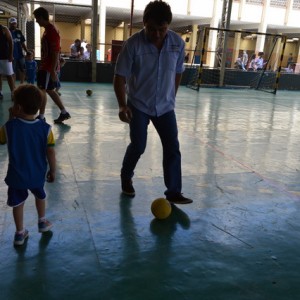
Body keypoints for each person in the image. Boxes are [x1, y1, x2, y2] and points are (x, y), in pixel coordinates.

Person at [113, 0, 193, 204]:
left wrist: (172, 97)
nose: (157, 34)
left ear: (168, 26)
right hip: (138, 104)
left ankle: (174, 191)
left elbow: (177, 73)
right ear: (144, 23)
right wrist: (123, 105)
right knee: (139, 145)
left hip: (166, 106)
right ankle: (126, 176)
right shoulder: (132, 45)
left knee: (172, 147)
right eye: (152, 29)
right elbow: (120, 77)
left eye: (162, 29)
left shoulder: (177, 43)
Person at [0, 84, 56, 246]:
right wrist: (52, 170)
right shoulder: (45, 129)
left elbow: (2, 140)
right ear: (39, 107)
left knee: (18, 203)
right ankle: (42, 222)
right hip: (37, 174)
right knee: (40, 196)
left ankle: (19, 233)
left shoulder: (8, 128)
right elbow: (51, 152)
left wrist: (11, 119)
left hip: (16, 177)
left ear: (17, 107)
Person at [33, 7, 71, 123]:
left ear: (41, 17)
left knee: (42, 90)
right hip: (47, 66)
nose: (36, 21)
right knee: (49, 90)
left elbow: (55, 52)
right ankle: (64, 113)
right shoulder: (47, 30)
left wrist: (53, 70)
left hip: (48, 68)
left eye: (37, 19)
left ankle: (41, 117)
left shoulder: (51, 31)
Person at [9, 17, 28, 84]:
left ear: (16, 24)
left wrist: (27, 51)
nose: (13, 25)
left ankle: (21, 84)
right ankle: (13, 86)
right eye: (12, 24)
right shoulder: (7, 32)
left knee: (23, 70)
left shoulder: (19, 32)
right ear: (9, 24)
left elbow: (22, 43)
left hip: (20, 55)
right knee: (12, 71)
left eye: (14, 23)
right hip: (12, 55)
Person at [0, 24, 15, 100]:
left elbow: (11, 42)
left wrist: (11, 55)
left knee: (9, 75)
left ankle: (13, 93)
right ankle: (0, 92)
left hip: (5, 56)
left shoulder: (4, 29)